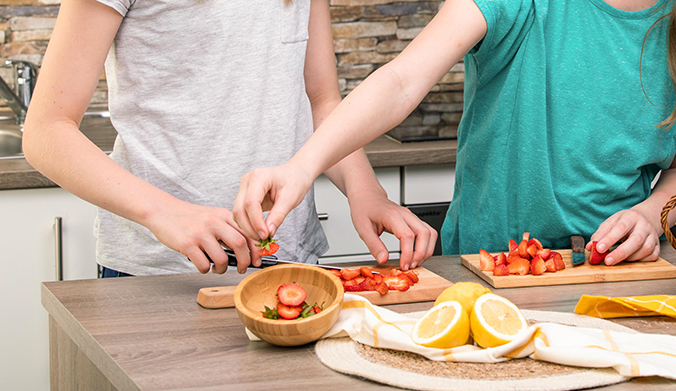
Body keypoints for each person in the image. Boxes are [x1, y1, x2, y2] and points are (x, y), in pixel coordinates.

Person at [232, 0, 676, 265]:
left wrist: (651, 214)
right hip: (480, 269)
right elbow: (403, 80)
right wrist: (301, 167)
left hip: (614, 274)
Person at [22, 0, 436, 277]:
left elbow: (321, 100)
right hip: (158, 270)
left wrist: (367, 192)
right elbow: (46, 131)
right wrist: (165, 213)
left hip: (287, 258)